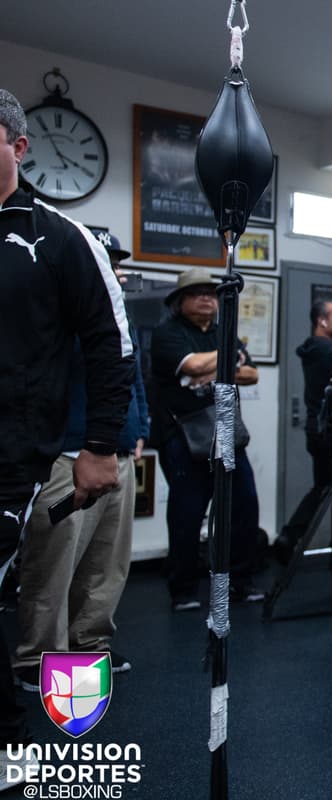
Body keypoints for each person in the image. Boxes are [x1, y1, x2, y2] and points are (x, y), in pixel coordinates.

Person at [0, 88, 135, 778]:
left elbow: (113, 350)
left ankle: (20, 731)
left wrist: (104, 445)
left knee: (83, 571)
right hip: (44, 449)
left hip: (27, 454)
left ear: (17, 147)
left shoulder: (57, 240)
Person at [12, 231, 150, 690]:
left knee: (107, 561)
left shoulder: (119, 313)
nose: (115, 271)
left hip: (117, 453)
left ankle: (89, 643)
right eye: (107, 262)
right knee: (53, 561)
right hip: (68, 453)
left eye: (116, 263)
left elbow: (132, 377)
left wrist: (139, 428)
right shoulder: (55, 307)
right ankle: (37, 657)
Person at [150, 269, 264, 611]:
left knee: (244, 506)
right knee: (186, 514)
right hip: (183, 436)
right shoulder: (167, 333)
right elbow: (192, 366)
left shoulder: (220, 331)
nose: (205, 298)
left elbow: (252, 374)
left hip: (227, 432)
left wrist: (215, 366)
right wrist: (228, 356)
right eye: (196, 293)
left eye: (210, 293)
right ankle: (183, 589)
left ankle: (241, 582)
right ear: (180, 301)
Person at [274, 299, 332, 569]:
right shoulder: (327, 349)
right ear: (322, 320)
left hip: (318, 430)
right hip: (330, 431)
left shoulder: (314, 348)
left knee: (324, 487)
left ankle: (292, 536)